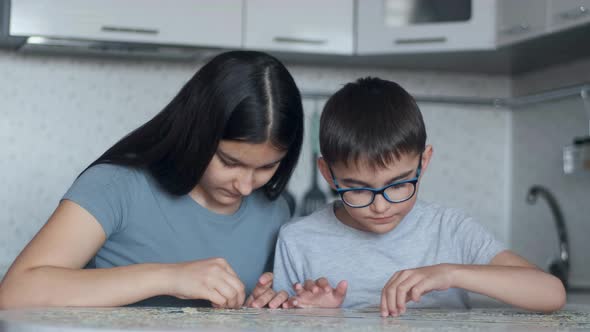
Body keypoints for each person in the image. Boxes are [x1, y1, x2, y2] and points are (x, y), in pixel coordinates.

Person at [0, 51, 304, 309]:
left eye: (267, 167)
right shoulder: (115, 185)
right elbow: (15, 293)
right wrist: (169, 277)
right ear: (196, 133)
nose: (246, 186)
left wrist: (259, 307)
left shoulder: (273, 211)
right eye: (229, 162)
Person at [272, 77, 566, 317]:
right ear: (327, 172)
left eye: (398, 185)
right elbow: (281, 321)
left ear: (423, 163)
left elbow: (551, 292)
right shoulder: (298, 240)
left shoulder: (449, 229)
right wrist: (317, 315)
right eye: (358, 188)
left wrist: (451, 273)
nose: (381, 205)